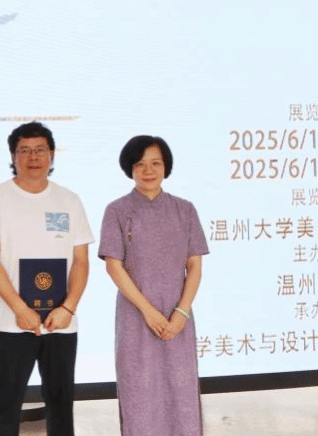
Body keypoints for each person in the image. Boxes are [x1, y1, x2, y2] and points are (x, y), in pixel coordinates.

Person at [0, 121, 93, 436]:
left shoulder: (69, 200)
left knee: (61, 406)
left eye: (40, 150)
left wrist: (68, 308)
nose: (33, 157)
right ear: (13, 156)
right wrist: (20, 309)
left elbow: (81, 261)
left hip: (61, 321)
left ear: (52, 155)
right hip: (12, 322)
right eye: (24, 150)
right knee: (5, 406)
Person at [99, 135, 207, 436]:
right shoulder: (117, 210)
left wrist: (181, 313)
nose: (148, 170)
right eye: (140, 164)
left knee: (181, 392)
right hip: (136, 318)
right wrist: (148, 312)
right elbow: (113, 266)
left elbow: (195, 266)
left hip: (178, 318)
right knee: (139, 392)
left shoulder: (185, 210)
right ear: (129, 168)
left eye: (156, 163)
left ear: (166, 166)